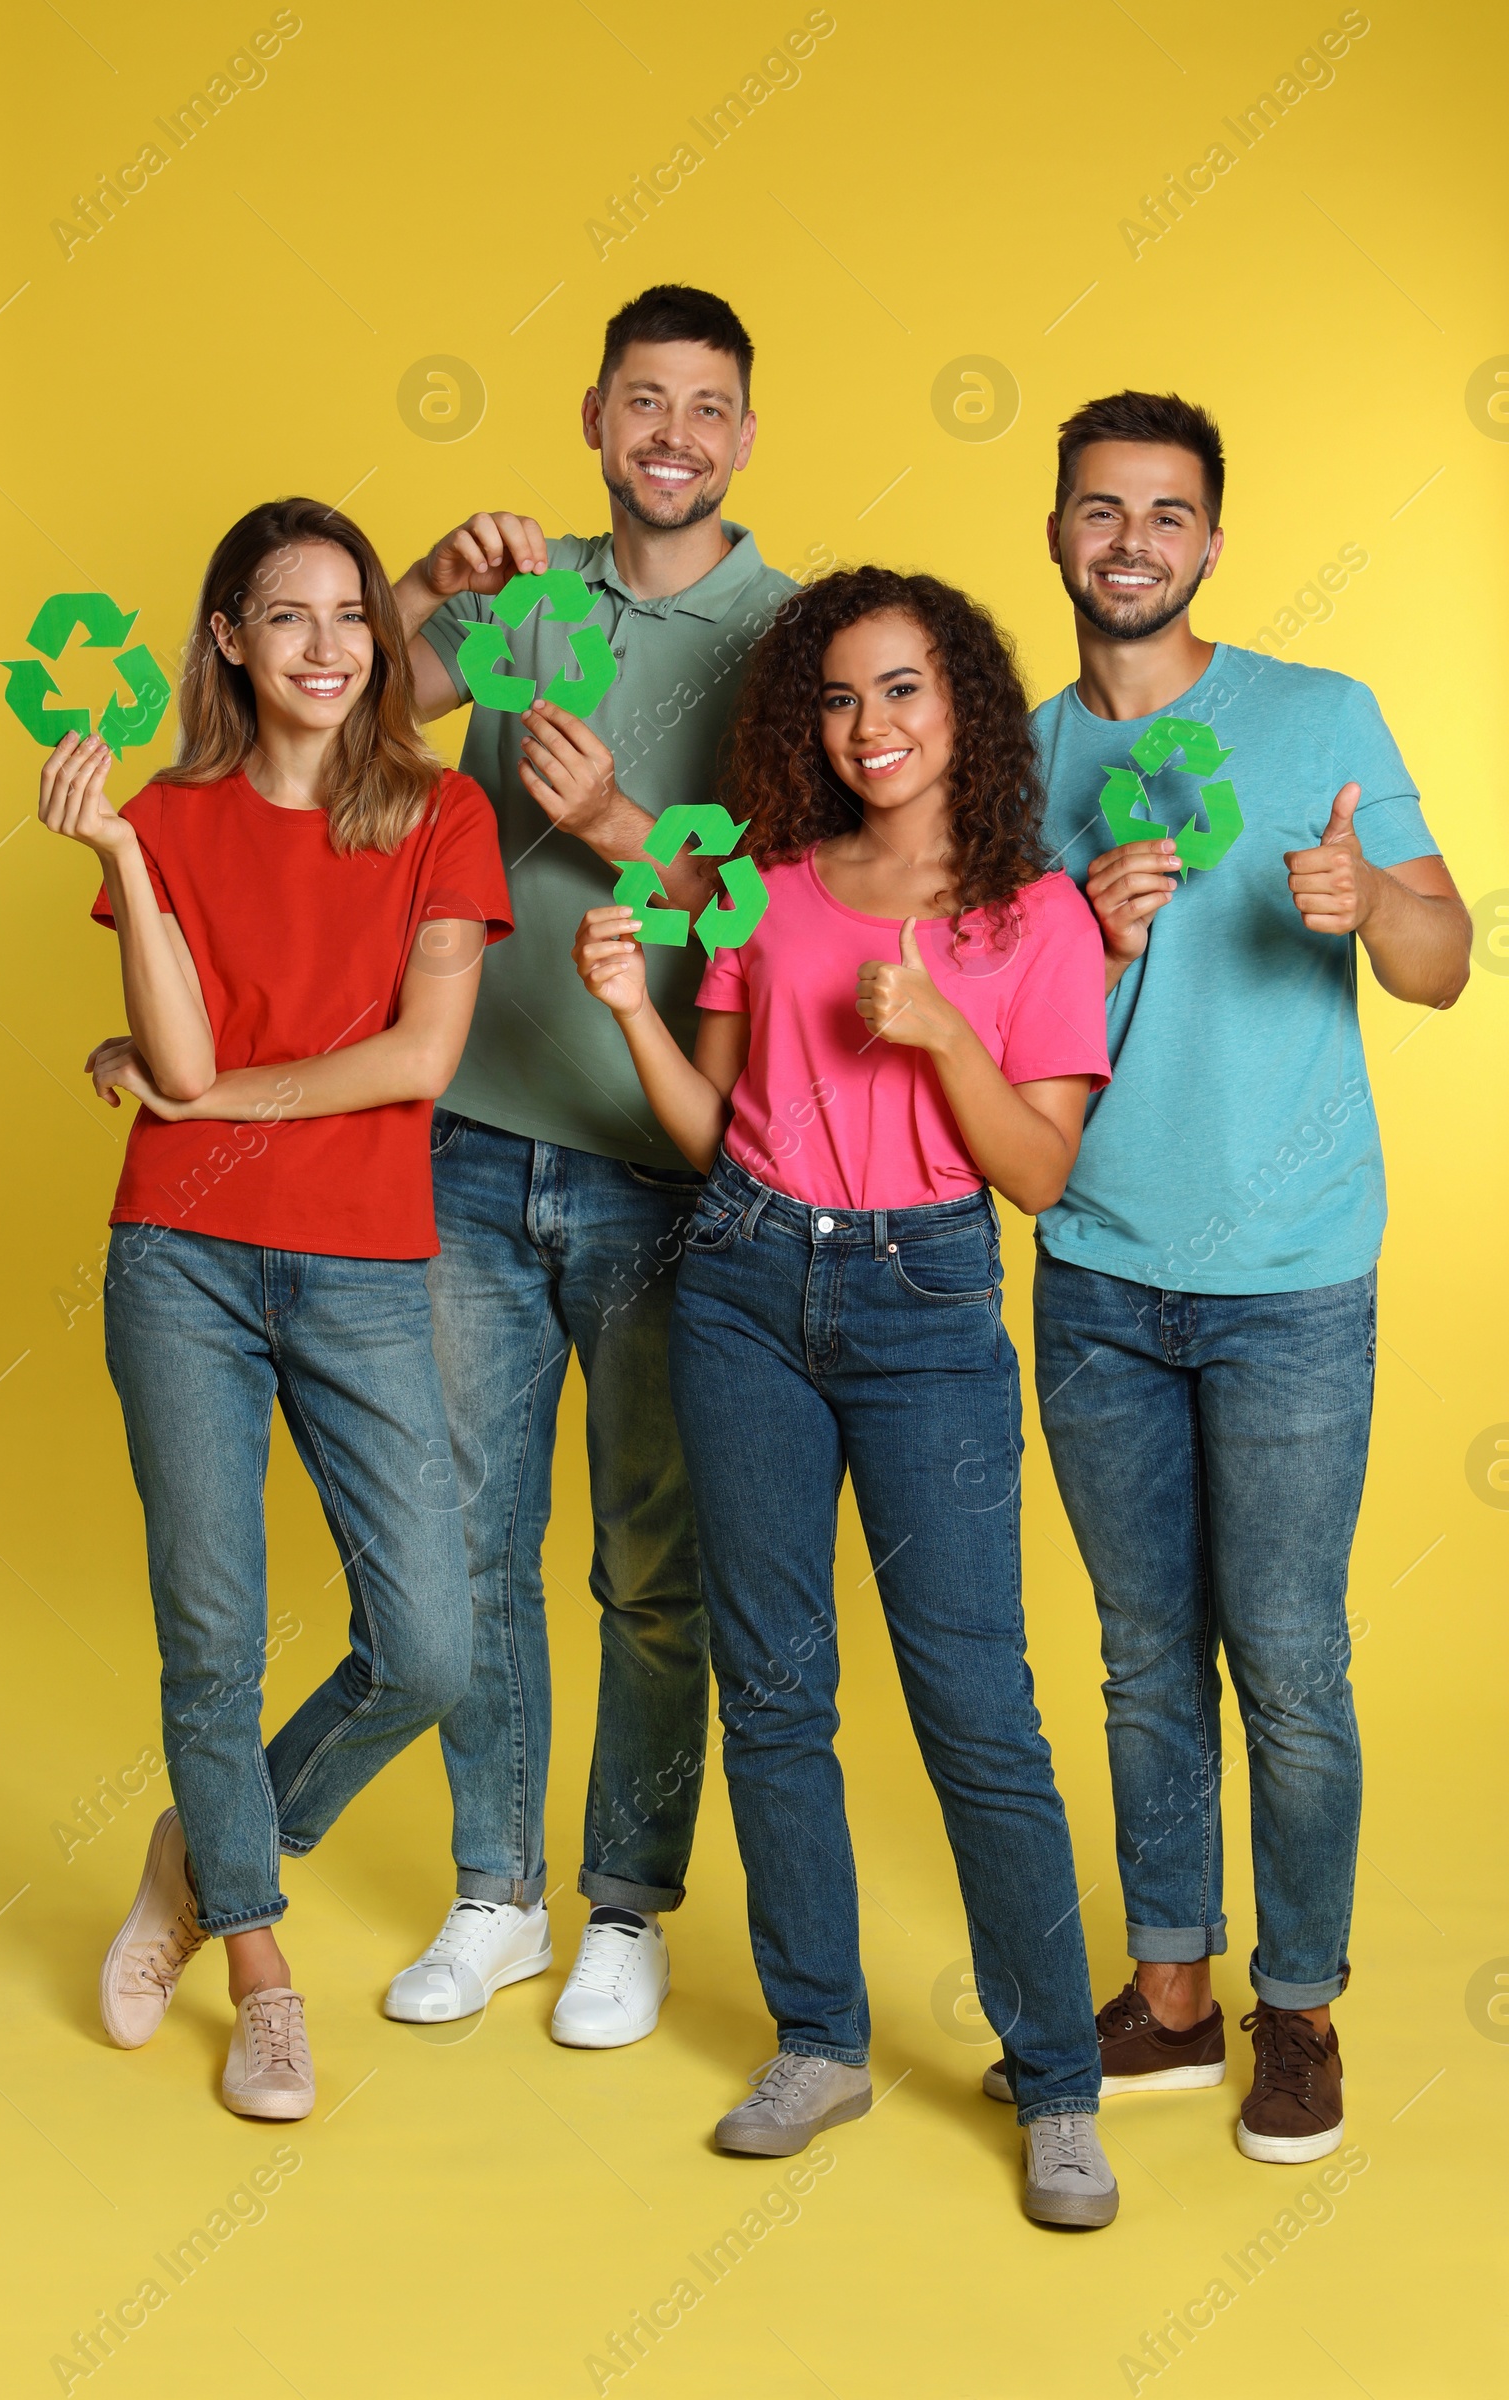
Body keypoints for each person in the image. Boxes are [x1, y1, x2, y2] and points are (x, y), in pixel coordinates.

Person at [573, 566, 1122, 2229]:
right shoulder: (771, 892)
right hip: (740, 1283)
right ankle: (818, 2038)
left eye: (903, 691)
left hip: (926, 1300)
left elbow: (1037, 1174)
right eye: (838, 697)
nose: (870, 727)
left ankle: (1056, 2083)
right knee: (776, 1688)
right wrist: (624, 1016)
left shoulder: (1037, 916)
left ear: (962, 705)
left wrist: (945, 1031)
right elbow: (704, 1129)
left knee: (976, 1706)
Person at [983, 390, 1471, 2162]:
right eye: (1099, 511)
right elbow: (981, 1023)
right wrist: (1077, 930)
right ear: (1055, 534)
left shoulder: (1315, 718)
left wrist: (1370, 904)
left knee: (1286, 1655)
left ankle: (1304, 2008)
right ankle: (1172, 1994)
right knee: (1135, 1655)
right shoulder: (1013, 761)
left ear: (1210, 539)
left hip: (1285, 1278)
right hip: (1097, 1269)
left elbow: (1445, 963)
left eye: (1167, 513)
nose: (1133, 541)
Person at [48, 498, 511, 2118]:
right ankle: (256, 1962)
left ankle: (199, 1848)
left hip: (364, 1263)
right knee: (213, 1637)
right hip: (178, 1260)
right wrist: (116, 850)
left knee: (431, 1646)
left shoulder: (444, 814)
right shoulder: (164, 819)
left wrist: (202, 1096)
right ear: (230, 639)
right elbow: (168, 1074)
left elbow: (418, 1063)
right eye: (288, 616)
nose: (328, 647)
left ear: (382, 640)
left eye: (351, 617)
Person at [379, 286, 794, 2049]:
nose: (675, 437)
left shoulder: (795, 635)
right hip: (471, 1139)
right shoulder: (519, 592)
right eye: (646, 402)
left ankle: (628, 1905)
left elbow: (800, 913)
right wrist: (419, 586)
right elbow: (360, 708)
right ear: (594, 417)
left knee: (650, 1560)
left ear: (746, 437)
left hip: (661, 1169)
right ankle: (496, 1894)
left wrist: (630, 830)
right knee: (470, 1544)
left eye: (708, 409)